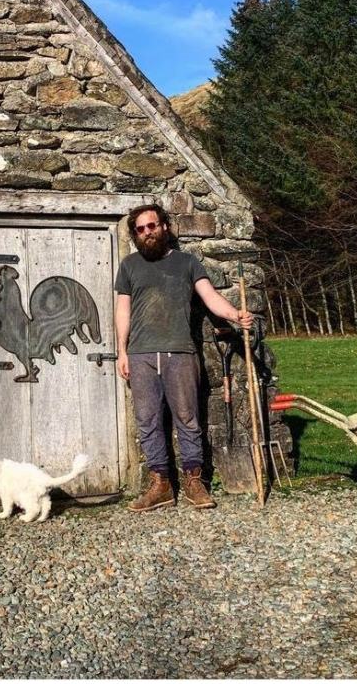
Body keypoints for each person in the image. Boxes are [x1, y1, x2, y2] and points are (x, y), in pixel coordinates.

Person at [115, 203, 254, 512]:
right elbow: (122, 310)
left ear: (164, 226)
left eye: (152, 226)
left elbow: (210, 298)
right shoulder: (129, 266)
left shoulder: (187, 263)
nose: (147, 232)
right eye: (140, 229)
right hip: (141, 355)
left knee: (188, 419)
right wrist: (122, 351)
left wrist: (234, 315)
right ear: (135, 235)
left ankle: (194, 482)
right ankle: (160, 485)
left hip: (180, 352)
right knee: (148, 421)